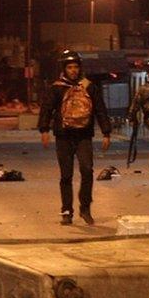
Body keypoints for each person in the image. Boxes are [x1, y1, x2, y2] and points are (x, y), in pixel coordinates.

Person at [39, 51, 112, 226]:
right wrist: (44, 130)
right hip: (63, 136)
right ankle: (66, 211)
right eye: (70, 67)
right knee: (66, 175)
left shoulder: (89, 86)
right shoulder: (56, 87)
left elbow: (100, 110)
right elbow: (47, 108)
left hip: (84, 136)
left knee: (87, 171)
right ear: (64, 68)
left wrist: (106, 132)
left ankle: (85, 208)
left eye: (76, 67)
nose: (73, 70)